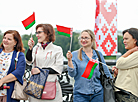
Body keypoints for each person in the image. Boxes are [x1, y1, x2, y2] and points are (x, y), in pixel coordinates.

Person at [66, 29, 112, 102]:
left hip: (97, 93)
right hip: (80, 94)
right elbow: (72, 74)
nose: (83, 40)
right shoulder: (74, 54)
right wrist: (69, 60)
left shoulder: (98, 54)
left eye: (86, 38)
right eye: (82, 38)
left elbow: (106, 71)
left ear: (92, 40)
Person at [26, 23, 63, 102]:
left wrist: (40, 70)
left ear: (48, 33)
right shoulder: (36, 48)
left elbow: (58, 68)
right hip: (36, 85)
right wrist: (30, 48)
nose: (37, 35)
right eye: (36, 32)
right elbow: (29, 61)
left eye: (39, 32)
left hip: (50, 84)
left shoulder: (57, 49)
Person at [112, 28, 138, 101]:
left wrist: (130, 51)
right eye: (123, 39)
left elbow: (119, 63)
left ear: (135, 40)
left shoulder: (136, 54)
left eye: (126, 39)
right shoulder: (132, 55)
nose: (124, 41)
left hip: (128, 95)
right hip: (125, 94)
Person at [0, 30, 26, 102]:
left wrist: (1, 81)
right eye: (4, 38)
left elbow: (18, 72)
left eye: (9, 39)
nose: (5, 40)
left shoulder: (19, 55)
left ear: (15, 42)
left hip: (10, 91)